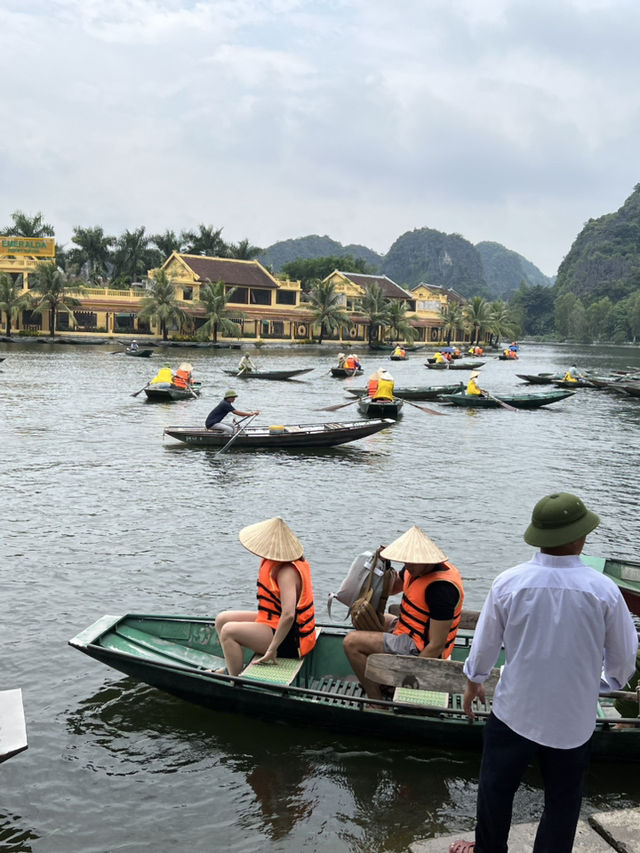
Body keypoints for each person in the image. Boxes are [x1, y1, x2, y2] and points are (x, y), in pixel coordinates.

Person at [450, 492, 638, 853]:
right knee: (562, 804)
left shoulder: (509, 583)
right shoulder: (604, 591)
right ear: (580, 537)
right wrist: (600, 684)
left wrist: (474, 680)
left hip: (514, 711)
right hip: (573, 720)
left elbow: (485, 644)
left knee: (495, 790)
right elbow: (623, 658)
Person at [343, 525, 464, 701]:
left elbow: (436, 645)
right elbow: (392, 588)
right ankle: (380, 677)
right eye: (405, 561)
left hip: (419, 648)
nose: (406, 565)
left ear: (426, 560)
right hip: (409, 630)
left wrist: (405, 678)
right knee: (370, 619)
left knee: (351, 642)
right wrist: (382, 566)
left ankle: (375, 700)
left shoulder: (441, 590)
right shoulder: (415, 568)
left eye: (410, 562)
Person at [215, 517, 317, 676]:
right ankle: (231, 667)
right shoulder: (273, 561)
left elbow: (289, 615)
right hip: (273, 621)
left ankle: (235, 681)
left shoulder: (287, 572)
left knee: (228, 631)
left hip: (290, 639)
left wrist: (271, 649)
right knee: (222, 619)